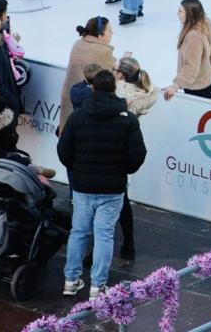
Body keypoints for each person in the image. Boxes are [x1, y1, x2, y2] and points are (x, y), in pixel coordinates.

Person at [58, 69, 147, 298]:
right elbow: (137, 154)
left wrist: (77, 171)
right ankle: (98, 286)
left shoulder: (78, 117)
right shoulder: (127, 120)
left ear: (93, 88)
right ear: (114, 89)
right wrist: (122, 171)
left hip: (83, 187)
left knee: (79, 233)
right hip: (112, 188)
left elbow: (63, 151)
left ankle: (71, 280)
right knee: (104, 236)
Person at [112, 55, 154, 259]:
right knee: (123, 201)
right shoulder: (143, 93)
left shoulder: (117, 94)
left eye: (114, 69)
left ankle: (102, 246)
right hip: (122, 155)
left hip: (110, 151)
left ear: (119, 75)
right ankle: (128, 242)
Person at [59, 16, 117, 130]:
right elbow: (110, 81)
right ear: (100, 35)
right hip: (90, 110)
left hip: (71, 104)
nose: (112, 33)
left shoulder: (78, 44)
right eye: (109, 30)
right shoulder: (103, 51)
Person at [164, 0, 211, 100]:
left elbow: (191, 66)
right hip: (207, 83)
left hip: (197, 90)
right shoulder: (204, 25)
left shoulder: (194, 36)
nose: (177, 14)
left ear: (190, 14)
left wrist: (176, 85)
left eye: (180, 11)